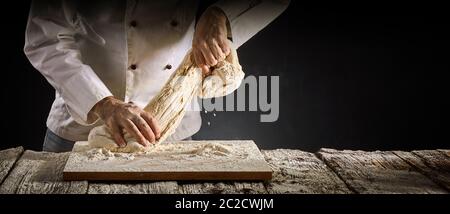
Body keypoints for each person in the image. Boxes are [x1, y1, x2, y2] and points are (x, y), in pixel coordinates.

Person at [24, 0, 289, 152]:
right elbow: (43, 36)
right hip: (82, 128)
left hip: (173, 131)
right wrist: (104, 103)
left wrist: (221, 16)